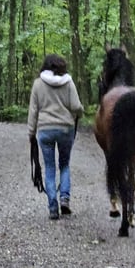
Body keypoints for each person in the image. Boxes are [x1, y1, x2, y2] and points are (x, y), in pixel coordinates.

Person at [27, 54, 85, 220]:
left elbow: (33, 111)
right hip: (65, 129)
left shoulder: (38, 84)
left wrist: (31, 133)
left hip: (45, 130)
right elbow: (75, 106)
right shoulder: (68, 82)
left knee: (50, 168)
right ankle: (64, 198)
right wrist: (81, 111)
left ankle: (53, 207)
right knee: (64, 164)